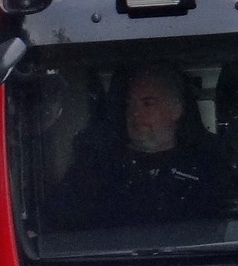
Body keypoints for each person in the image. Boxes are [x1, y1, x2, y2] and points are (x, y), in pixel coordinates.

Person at [45, 65, 228, 231]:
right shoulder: (96, 168)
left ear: (176, 109)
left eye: (147, 103)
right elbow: (57, 223)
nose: (134, 113)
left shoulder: (207, 167)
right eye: (129, 104)